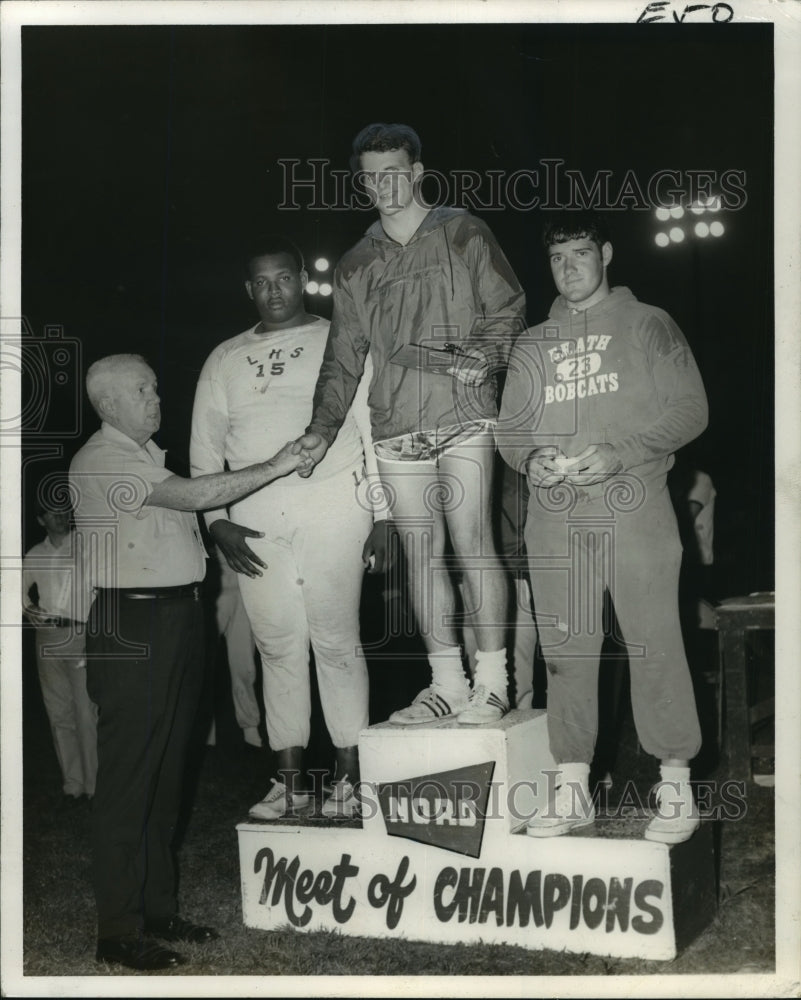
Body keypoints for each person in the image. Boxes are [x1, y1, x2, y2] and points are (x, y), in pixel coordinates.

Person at [69, 353, 304, 971]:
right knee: (128, 779)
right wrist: (279, 463)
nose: (155, 397)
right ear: (108, 404)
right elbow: (199, 495)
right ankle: (118, 932)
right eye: (142, 389)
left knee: (169, 771)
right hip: (133, 624)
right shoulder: (102, 459)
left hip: (175, 616)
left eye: (153, 385)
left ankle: (158, 910)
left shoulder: (143, 456)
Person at [293, 123, 527, 727]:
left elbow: (507, 307)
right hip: (396, 424)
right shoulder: (355, 264)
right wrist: (321, 427)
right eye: (372, 176)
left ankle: (494, 681)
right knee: (422, 555)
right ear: (361, 181)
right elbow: (343, 357)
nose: (384, 185)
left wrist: (487, 354)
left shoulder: (463, 230)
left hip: (464, 415)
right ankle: (446, 681)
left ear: (418, 170)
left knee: (476, 545)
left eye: (394, 171)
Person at [497, 210, 708, 845]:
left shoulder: (648, 324)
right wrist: (530, 457)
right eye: (558, 259)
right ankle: (572, 791)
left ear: (607, 253)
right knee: (566, 656)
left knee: (654, 644)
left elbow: (692, 410)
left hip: (634, 507)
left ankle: (676, 789)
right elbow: (510, 431)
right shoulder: (532, 343)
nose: (569, 268)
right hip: (556, 522)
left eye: (581, 254)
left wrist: (621, 451)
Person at [190, 236, 389, 822]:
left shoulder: (339, 337)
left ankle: (351, 781)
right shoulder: (223, 357)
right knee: (277, 646)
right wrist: (217, 522)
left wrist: (382, 514)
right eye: (262, 282)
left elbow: (371, 430)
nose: (274, 291)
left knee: (336, 641)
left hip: (334, 507)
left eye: (285, 278)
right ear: (249, 289)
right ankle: (290, 783)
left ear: (303, 278)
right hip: (254, 521)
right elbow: (205, 450)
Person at [22, 491, 97, 804]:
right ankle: (73, 785)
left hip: (81, 635)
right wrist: (28, 609)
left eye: (64, 512)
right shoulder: (35, 554)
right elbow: (14, 588)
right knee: (59, 713)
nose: (61, 517)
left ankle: (95, 786)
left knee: (86, 712)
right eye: (53, 513)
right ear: (41, 520)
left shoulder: (87, 544)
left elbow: (104, 586)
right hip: (49, 639)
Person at [205, 547, 262, 750]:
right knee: (202, 665)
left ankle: (250, 727)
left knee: (244, 663)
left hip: (243, 589)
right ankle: (205, 732)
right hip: (211, 589)